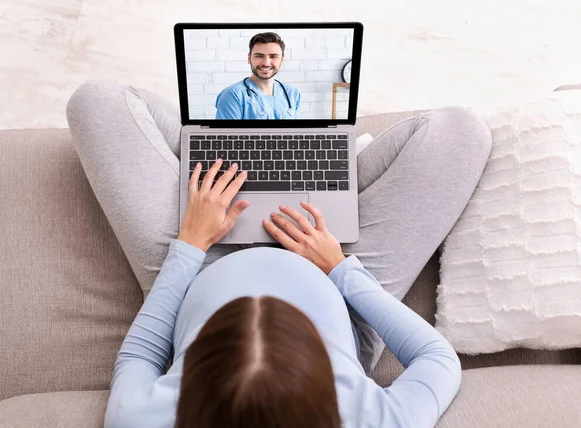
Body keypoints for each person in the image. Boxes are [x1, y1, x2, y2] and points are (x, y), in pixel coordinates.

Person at [65, 78, 492, 427]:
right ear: (327, 378)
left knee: (99, 101)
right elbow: (436, 358)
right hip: (333, 278)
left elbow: (141, 354)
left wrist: (189, 244)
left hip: (201, 264)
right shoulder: (374, 423)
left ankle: (231, 154)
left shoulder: (138, 420)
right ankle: (320, 166)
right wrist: (340, 269)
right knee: (460, 132)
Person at [215, 32, 301, 119]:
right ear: (249, 58)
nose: (266, 63)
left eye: (273, 56)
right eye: (259, 56)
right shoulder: (233, 95)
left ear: (281, 60)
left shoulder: (292, 94)